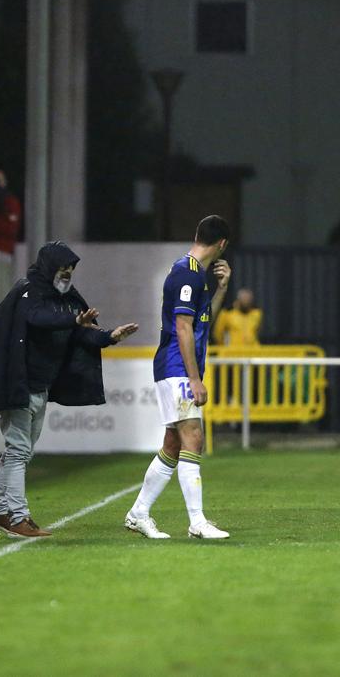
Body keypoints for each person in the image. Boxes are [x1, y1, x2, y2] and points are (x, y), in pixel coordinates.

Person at [0, 242, 139, 537]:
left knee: (21, 451)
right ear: (48, 267)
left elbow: (82, 334)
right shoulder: (28, 293)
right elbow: (39, 319)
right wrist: (73, 320)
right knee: (18, 451)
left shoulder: (66, 299)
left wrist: (110, 337)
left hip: (40, 385)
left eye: (70, 270)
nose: (67, 274)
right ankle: (18, 517)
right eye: (63, 269)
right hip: (20, 383)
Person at [124, 215, 233, 540]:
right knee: (193, 437)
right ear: (222, 244)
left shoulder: (194, 275)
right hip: (176, 367)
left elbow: (202, 320)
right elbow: (183, 328)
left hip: (174, 366)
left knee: (173, 444)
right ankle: (197, 522)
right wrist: (195, 378)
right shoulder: (186, 274)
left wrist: (222, 288)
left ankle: (138, 513)